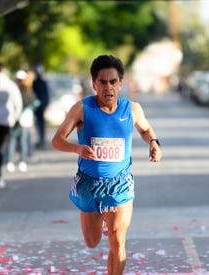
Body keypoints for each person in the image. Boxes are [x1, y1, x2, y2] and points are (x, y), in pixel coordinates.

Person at [51, 54, 162, 274]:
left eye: (113, 82)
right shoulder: (82, 109)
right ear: (94, 84)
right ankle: (100, 219)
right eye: (102, 82)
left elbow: (146, 129)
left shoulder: (132, 109)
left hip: (120, 184)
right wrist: (77, 148)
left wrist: (154, 143)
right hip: (89, 185)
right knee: (92, 242)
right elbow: (57, 140)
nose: (108, 87)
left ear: (121, 83)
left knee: (117, 239)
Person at [6, 70, 40, 172]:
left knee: (20, 141)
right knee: (15, 141)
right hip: (16, 119)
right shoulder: (16, 90)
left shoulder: (26, 90)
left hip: (23, 119)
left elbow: (33, 102)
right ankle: (13, 161)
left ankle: (20, 161)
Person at [32, 65, 49, 149]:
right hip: (37, 105)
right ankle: (40, 139)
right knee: (38, 123)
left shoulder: (41, 82)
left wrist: (45, 104)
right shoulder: (35, 83)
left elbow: (46, 95)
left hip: (41, 105)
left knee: (40, 123)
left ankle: (42, 140)